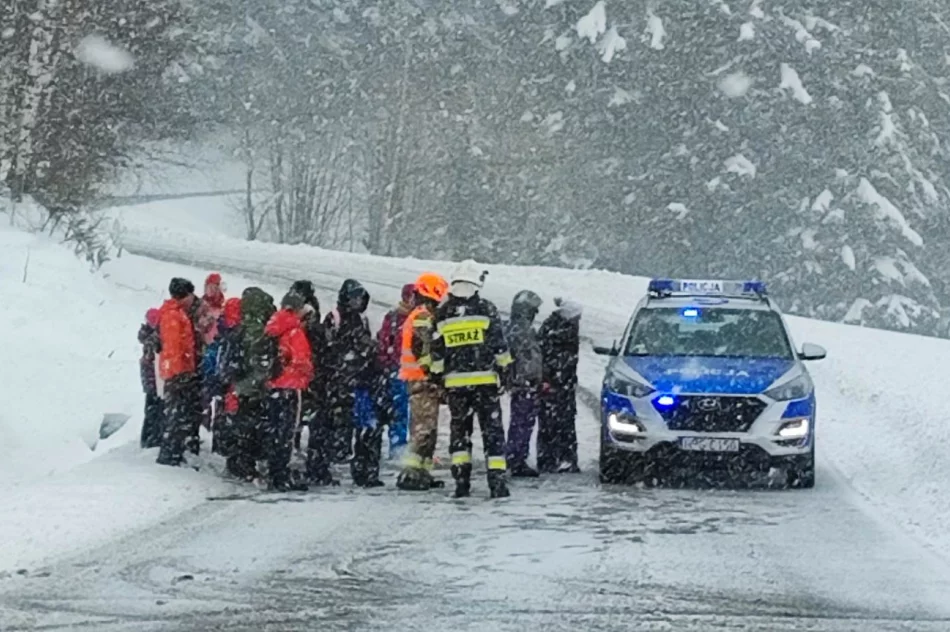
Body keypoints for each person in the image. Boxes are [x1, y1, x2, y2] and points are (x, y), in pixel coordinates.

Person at [430, 261, 513, 499]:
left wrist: (438, 378)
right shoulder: (487, 309)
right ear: (476, 284)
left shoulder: (443, 313)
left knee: (460, 433)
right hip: (485, 385)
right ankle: (496, 482)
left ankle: (461, 481)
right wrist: (506, 370)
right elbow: (500, 346)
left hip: (456, 387)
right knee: (493, 433)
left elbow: (437, 353)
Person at [395, 273, 449, 491]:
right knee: (423, 430)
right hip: (421, 380)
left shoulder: (420, 313)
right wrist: (434, 373)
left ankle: (422, 473)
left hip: (420, 380)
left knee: (428, 430)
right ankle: (410, 474)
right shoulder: (422, 316)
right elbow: (424, 349)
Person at [288, 280, 339, 487]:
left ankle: (294, 466)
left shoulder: (287, 321)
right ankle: (316, 467)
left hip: (298, 382)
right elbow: (322, 352)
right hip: (313, 380)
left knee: (293, 426)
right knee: (319, 426)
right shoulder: (311, 325)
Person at [262, 292, 314, 491]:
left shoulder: (273, 327)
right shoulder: (294, 330)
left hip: (274, 385)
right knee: (287, 433)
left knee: (275, 430)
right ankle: (282, 475)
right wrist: (308, 375)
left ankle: (274, 472)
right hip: (291, 387)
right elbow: (302, 360)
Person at [323, 279, 374, 465]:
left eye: (360, 298)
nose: (357, 302)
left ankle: (345, 449)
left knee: (351, 415)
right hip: (338, 376)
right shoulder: (334, 317)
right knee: (338, 414)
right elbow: (326, 346)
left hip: (357, 377)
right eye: (354, 298)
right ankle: (336, 449)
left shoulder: (362, 319)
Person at [230, 287, 277, 481]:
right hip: (253, 387)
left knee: (243, 427)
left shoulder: (241, 326)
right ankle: (246, 465)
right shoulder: (258, 331)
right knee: (252, 428)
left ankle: (240, 463)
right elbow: (259, 363)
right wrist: (264, 381)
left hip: (242, 386)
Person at [157, 278, 202, 466]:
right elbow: (174, 347)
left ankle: (174, 450)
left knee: (177, 414)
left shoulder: (175, 313)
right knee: (176, 415)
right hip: (178, 373)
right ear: (186, 295)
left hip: (179, 371)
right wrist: (181, 371)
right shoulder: (174, 316)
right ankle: (170, 454)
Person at [538, 298, 582, 474]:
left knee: (556, 422)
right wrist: (549, 378)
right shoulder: (561, 330)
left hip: (563, 383)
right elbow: (546, 356)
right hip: (557, 384)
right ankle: (561, 458)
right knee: (558, 423)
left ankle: (554, 458)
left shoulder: (555, 327)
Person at [505, 290, 544, 478]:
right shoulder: (521, 330)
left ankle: (517, 456)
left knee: (521, 422)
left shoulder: (519, 328)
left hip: (524, 383)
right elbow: (526, 359)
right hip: (524, 383)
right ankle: (517, 458)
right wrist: (530, 379)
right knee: (522, 422)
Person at [376, 283, 416, 460]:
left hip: (413, 372)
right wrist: (388, 363)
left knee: (415, 413)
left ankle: (412, 448)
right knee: (400, 411)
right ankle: (398, 447)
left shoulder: (416, 317)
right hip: (399, 371)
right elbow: (384, 343)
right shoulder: (395, 318)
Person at [212, 297, 243, 457]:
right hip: (230, 383)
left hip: (221, 379)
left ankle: (219, 446)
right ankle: (226, 448)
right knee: (230, 415)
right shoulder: (236, 335)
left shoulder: (223, 332)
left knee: (221, 413)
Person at [196, 273, 226, 432]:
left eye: (217, 286)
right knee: (205, 393)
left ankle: (219, 429)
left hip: (220, 352)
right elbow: (199, 328)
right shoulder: (202, 306)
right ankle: (204, 426)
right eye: (211, 286)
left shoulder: (223, 306)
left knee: (221, 392)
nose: (213, 290)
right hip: (205, 352)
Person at [139, 307, 165, 449]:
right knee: (155, 409)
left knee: (151, 409)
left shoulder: (146, 336)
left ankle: (150, 439)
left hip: (150, 380)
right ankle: (153, 439)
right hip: (154, 380)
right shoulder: (153, 339)